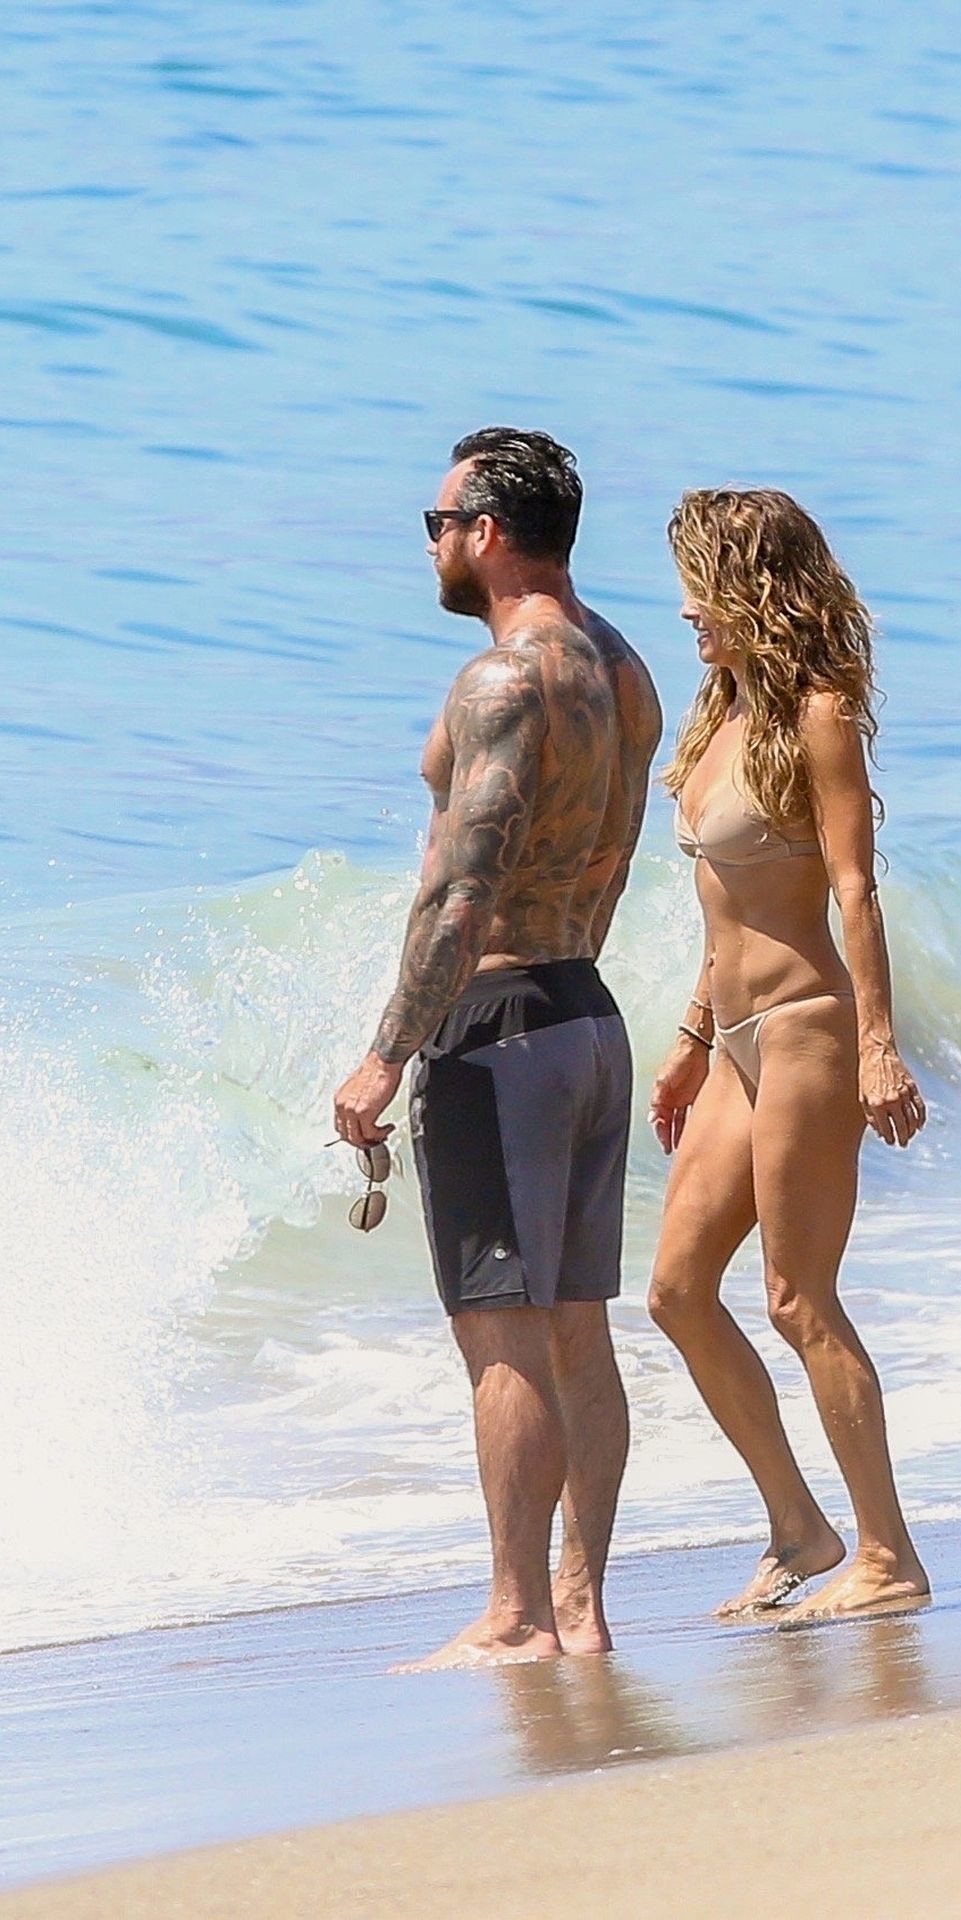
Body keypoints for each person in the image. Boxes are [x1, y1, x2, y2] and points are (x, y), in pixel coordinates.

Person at [334, 429, 661, 1669]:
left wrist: (387, 1052)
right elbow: (610, 857)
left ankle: (516, 1614)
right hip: (585, 1012)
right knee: (576, 1326)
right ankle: (579, 1608)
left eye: (436, 524)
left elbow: (459, 892)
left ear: (484, 532)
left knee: (500, 1328)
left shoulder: (501, 682)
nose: (427, 545)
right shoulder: (621, 670)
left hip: (502, 1026)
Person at [646, 487, 929, 1621]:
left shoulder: (819, 716)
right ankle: (799, 1528)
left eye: (700, 587)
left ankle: (888, 1556)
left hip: (809, 1025)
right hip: (731, 1041)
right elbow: (726, 907)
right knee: (676, 1292)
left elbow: (853, 889)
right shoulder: (719, 715)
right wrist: (688, 1038)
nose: (685, 612)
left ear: (752, 589)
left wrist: (877, 1045)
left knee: (797, 1297)